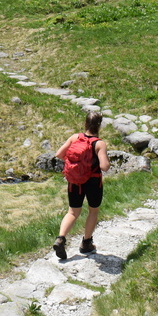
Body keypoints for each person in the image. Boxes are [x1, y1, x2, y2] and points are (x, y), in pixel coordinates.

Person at [53, 110, 110, 259]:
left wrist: (75, 165)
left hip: (75, 182)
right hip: (93, 182)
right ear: (99, 125)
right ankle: (86, 243)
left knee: (73, 212)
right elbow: (104, 166)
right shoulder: (99, 144)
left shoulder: (74, 138)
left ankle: (60, 238)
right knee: (93, 211)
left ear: (85, 123)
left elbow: (59, 154)